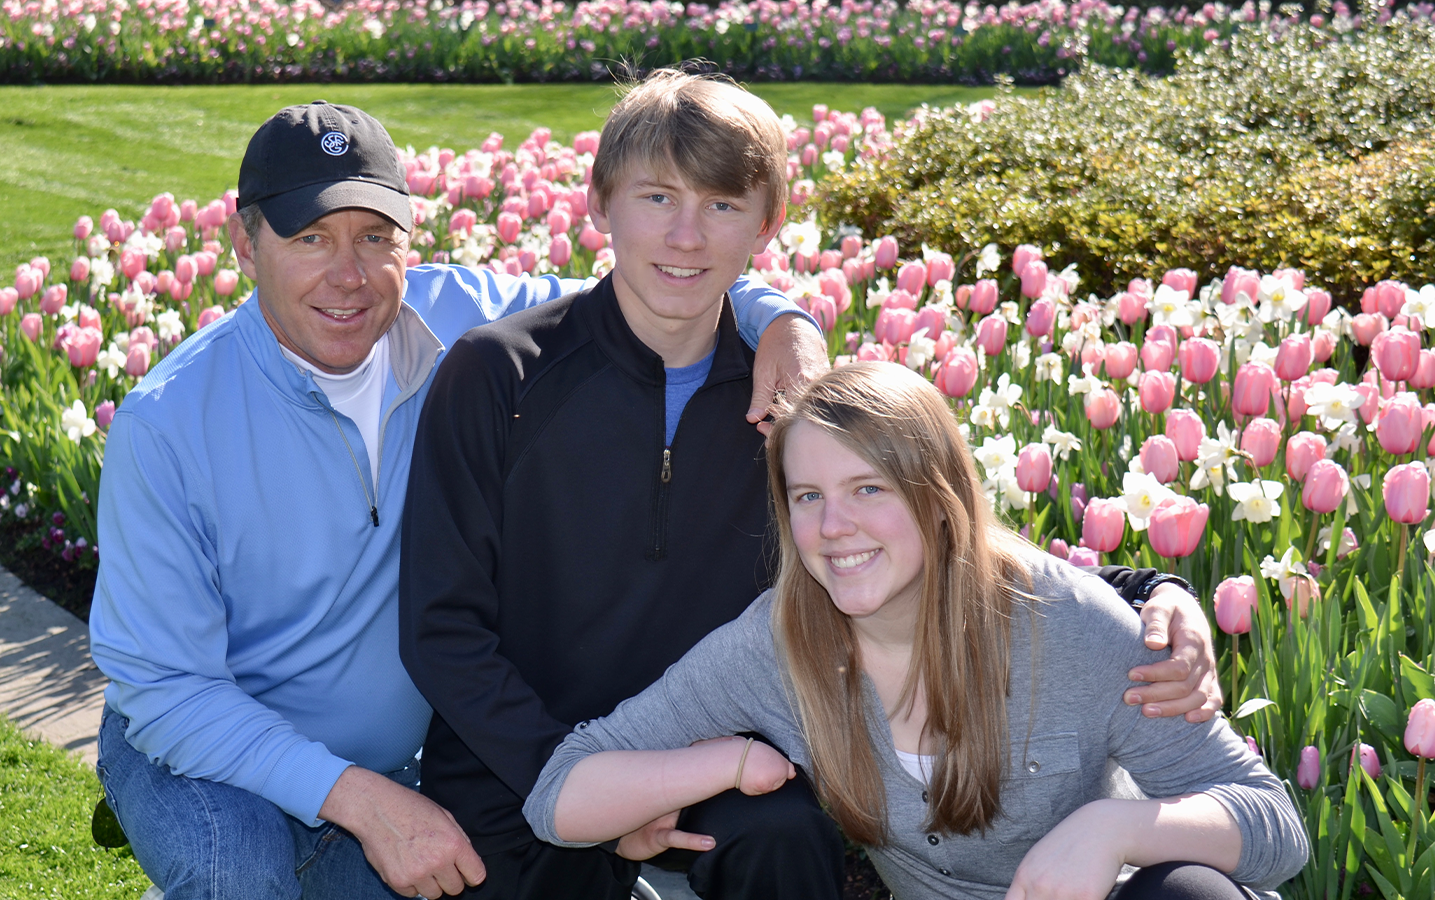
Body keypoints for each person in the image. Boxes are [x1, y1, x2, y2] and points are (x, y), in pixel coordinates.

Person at [400, 71, 1227, 900]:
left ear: (767, 224)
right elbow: (443, 628)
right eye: (656, 198)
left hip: (729, 766)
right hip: (524, 767)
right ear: (598, 202)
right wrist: (601, 785)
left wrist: (1155, 589)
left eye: (721, 206)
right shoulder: (500, 375)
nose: (685, 236)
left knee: (788, 835)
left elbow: (947, 546)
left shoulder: (792, 410)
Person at [87, 100, 827, 900]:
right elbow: (169, 689)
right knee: (240, 874)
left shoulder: (452, 315)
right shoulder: (168, 425)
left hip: (404, 761)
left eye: (375, 237)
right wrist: (364, 804)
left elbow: (660, 279)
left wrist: (785, 320)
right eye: (311, 239)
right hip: (212, 746)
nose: (349, 275)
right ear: (244, 242)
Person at [522, 361, 1310, 900]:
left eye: (868, 488)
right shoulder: (781, 644)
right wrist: (730, 760)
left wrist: (1117, 828)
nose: (835, 527)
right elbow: (560, 796)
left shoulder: (1068, 626)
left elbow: (1276, 828)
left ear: (939, 498)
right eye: (807, 496)